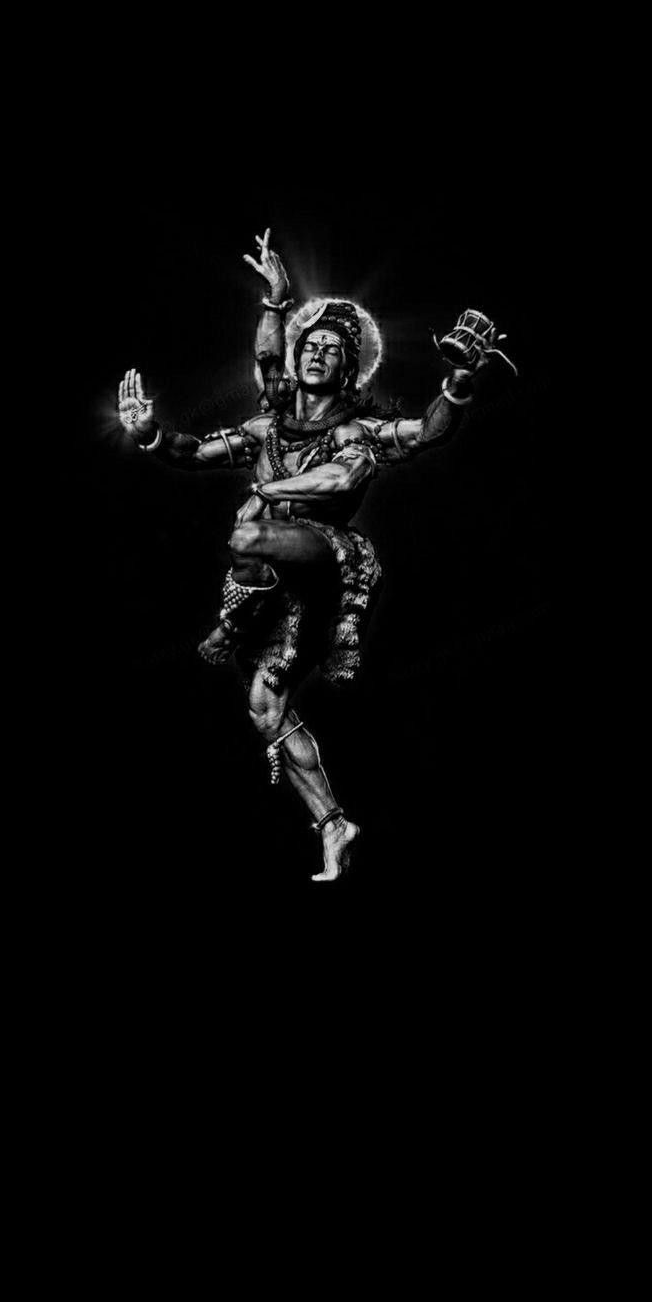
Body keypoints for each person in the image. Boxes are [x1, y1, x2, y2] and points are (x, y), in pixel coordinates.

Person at [117, 230, 508, 880]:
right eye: (312, 342)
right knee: (264, 709)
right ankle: (332, 821)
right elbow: (189, 451)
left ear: (350, 366)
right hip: (282, 598)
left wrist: (460, 382)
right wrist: (151, 433)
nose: (320, 350)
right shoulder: (266, 427)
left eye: (333, 346)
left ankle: (233, 620)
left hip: (324, 562)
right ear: (298, 357)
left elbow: (427, 432)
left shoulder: (357, 432)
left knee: (248, 535)